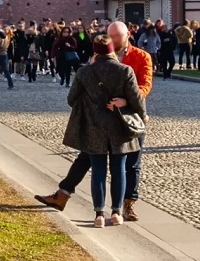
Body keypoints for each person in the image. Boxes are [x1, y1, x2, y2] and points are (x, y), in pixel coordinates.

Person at [37, 21, 153, 220]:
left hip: (127, 118)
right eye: (111, 36)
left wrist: (125, 102)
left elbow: (144, 85)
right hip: (103, 122)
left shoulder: (141, 56)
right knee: (87, 159)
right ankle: (66, 195)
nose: (113, 39)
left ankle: (126, 205)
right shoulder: (98, 64)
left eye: (117, 36)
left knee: (130, 165)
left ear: (127, 36)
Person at [60, 37, 146, 228]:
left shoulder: (84, 72)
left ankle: (99, 214)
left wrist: (90, 101)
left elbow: (71, 99)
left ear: (95, 52)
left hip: (94, 126)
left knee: (98, 170)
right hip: (119, 126)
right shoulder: (125, 70)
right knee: (119, 170)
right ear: (112, 50)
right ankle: (116, 212)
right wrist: (142, 115)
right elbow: (137, 99)